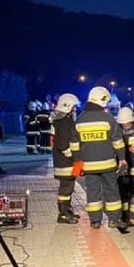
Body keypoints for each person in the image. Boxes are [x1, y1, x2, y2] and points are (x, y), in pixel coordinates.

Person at [76, 86, 128, 231]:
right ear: (102, 100)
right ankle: (114, 220)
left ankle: (95, 221)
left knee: (93, 192)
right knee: (111, 191)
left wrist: (77, 161)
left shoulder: (80, 120)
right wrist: (122, 159)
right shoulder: (108, 119)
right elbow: (117, 141)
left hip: (89, 166)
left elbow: (75, 144)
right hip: (107, 164)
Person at [51, 93, 81, 224]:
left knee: (68, 187)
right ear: (67, 107)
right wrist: (74, 157)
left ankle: (67, 210)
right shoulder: (64, 122)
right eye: (73, 107)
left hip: (62, 161)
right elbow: (63, 144)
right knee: (66, 188)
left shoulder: (59, 121)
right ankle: (63, 214)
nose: (75, 110)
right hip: (65, 162)